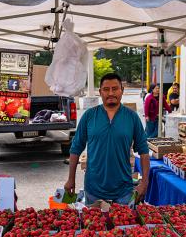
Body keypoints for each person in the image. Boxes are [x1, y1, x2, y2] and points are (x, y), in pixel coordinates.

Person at [64, 73, 150, 205]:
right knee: (94, 225)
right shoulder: (89, 116)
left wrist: (144, 182)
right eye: (106, 89)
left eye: (115, 89)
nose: (110, 93)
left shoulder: (132, 117)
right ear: (100, 92)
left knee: (124, 224)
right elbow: (75, 148)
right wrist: (71, 179)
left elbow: (144, 151)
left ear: (122, 90)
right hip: (94, 189)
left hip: (123, 190)